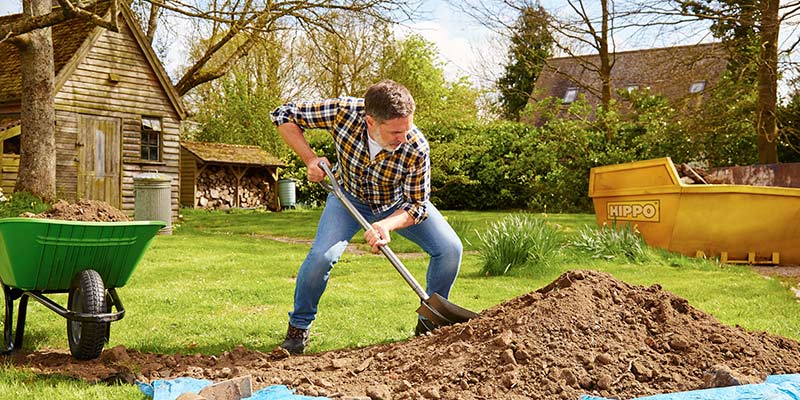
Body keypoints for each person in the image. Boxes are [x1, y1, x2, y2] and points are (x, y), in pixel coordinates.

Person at [270, 80, 463, 354]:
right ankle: (299, 328)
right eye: (396, 131)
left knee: (450, 248)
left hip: (395, 205)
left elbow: (417, 205)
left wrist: (385, 225)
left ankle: (429, 326)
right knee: (320, 258)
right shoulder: (343, 112)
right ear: (370, 121)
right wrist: (310, 159)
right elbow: (282, 115)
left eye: (407, 129)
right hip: (347, 200)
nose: (404, 137)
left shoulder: (416, 147)